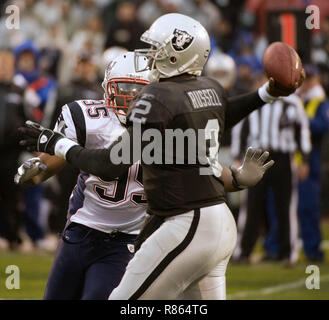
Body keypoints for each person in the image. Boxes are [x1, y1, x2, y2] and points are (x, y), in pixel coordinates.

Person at [19, 13, 304, 300]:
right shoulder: (206, 90)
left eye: (158, 50)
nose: (151, 57)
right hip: (211, 221)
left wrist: (56, 143)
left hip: (182, 224)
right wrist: (267, 93)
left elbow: (109, 165)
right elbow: (222, 119)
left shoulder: (158, 100)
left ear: (177, 55)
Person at [231, 74, 311, 265]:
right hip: (256, 157)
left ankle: (287, 252)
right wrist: (236, 157)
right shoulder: (254, 101)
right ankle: (243, 251)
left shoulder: (292, 102)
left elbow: (303, 129)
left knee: (285, 207)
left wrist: (305, 159)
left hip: (283, 157)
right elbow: (240, 129)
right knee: (251, 206)